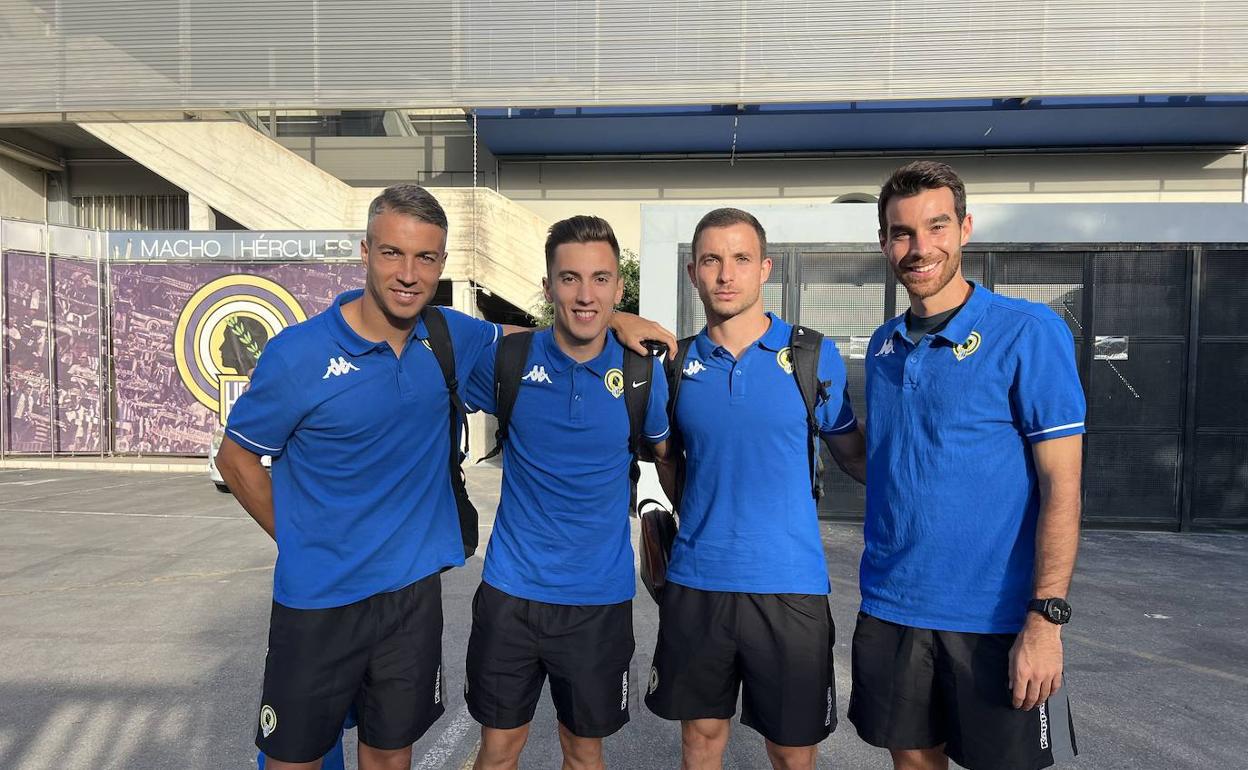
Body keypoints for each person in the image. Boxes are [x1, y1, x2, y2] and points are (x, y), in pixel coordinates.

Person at [216, 185, 674, 770]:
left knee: (390, 757)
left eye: (426, 258)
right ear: (364, 253)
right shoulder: (298, 354)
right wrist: (302, 541)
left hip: (412, 595)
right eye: (391, 254)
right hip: (320, 600)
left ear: (441, 264)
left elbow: (544, 336)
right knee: (295, 760)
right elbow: (236, 460)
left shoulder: (447, 337)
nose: (408, 274)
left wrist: (616, 317)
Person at [850, 160, 1083, 770]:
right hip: (893, 607)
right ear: (883, 243)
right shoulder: (883, 345)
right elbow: (897, 466)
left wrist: (1046, 619)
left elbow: (1063, 489)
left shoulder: (1028, 333)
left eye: (936, 226)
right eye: (902, 233)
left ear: (966, 228)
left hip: (994, 620)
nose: (920, 247)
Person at [646, 207, 865, 770]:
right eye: (711, 261)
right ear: (693, 272)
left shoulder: (813, 356)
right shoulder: (676, 364)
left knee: (792, 751)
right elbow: (669, 462)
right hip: (698, 582)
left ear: (764, 268)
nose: (726, 274)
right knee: (700, 740)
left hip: (790, 585)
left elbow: (855, 455)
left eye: (740, 259)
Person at [461, 215, 669, 770]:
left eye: (601, 279)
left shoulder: (643, 374)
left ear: (619, 287)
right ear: (548, 285)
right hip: (511, 592)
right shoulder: (508, 361)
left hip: (597, 600)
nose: (585, 293)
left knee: (583, 751)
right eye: (569, 278)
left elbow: (671, 457)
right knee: (499, 750)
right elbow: (424, 348)